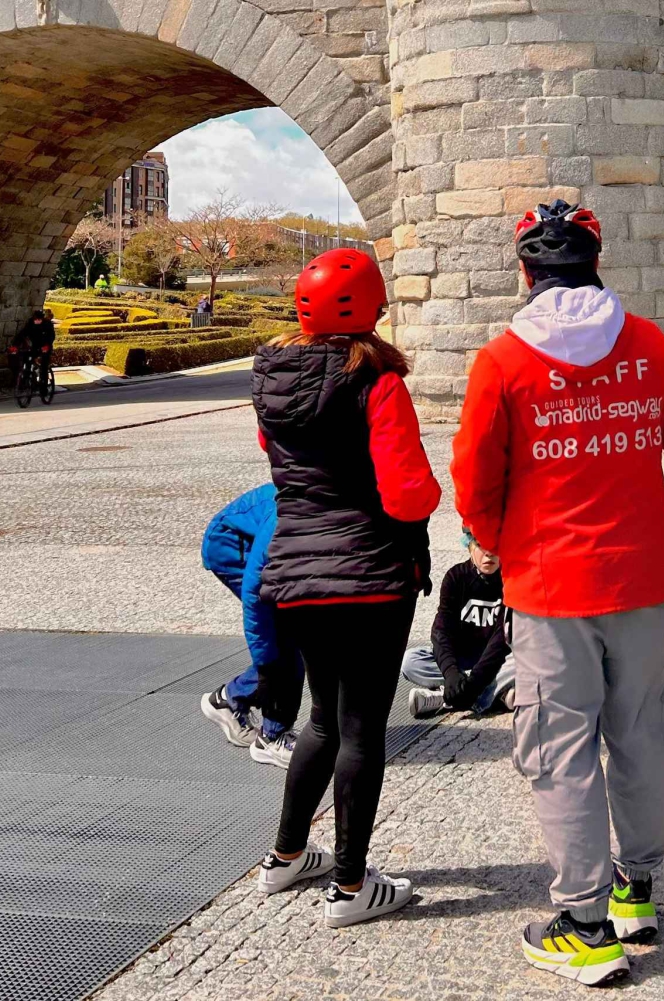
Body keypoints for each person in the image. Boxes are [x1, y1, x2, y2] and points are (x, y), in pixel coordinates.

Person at [452, 200, 664, 986]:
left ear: (525, 270)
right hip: (640, 576)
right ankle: (636, 887)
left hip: (550, 581)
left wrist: (487, 540)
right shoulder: (648, 341)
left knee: (561, 746)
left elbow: (472, 476)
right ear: (597, 261)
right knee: (641, 729)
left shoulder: (501, 359)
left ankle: (584, 923)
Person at [250, 247, 441, 928]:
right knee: (362, 729)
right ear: (367, 308)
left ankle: (286, 854)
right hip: (368, 574)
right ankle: (353, 883)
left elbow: (283, 468)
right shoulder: (376, 382)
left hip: (295, 571)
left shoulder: (270, 380)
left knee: (321, 722)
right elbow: (408, 492)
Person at [198, 483, 305, 768]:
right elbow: (255, 598)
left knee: (295, 633)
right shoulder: (285, 519)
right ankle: (272, 737)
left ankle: (230, 698)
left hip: (260, 540)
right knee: (285, 641)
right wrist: (267, 666)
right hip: (230, 546)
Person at [400, 528, 514, 718]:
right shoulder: (456, 577)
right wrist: (451, 672)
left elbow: (501, 641)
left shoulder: (510, 580)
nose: (489, 553)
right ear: (469, 546)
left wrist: (475, 682)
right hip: (463, 658)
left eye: (496, 546)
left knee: (526, 663)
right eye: (480, 545)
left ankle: (445, 699)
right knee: (410, 661)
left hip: (497, 661)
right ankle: (498, 695)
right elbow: (441, 631)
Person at [10, 310, 55, 392]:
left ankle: (44, 386)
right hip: (34, 346)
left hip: (45, 347)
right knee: (26, 360)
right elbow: (22, 334)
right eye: (36, 319)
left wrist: (47, 345)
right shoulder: (30, 324)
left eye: (39, 319)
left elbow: (51, 336)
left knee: (44, 366)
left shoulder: (47, 324)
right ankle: (26, 381)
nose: (37, 321)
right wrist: (15, 346)